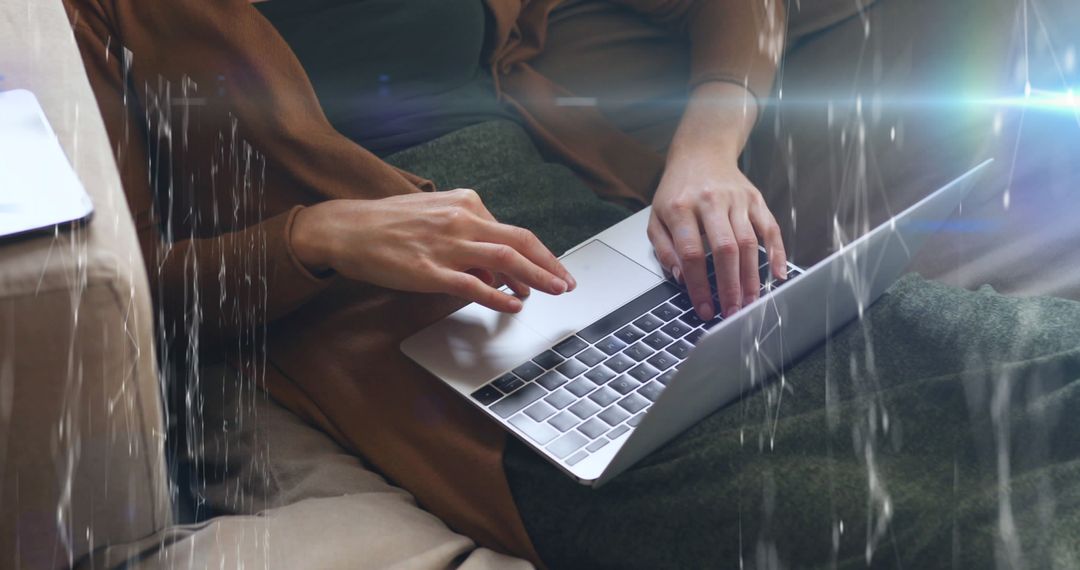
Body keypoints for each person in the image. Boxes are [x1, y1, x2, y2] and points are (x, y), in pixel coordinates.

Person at [63, 0, 1080, 567]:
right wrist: (314, 236)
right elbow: (106, 293)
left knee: (1017, 360)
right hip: (416, 330)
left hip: (616, 236)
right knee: (928, 527)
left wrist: (705, 153)